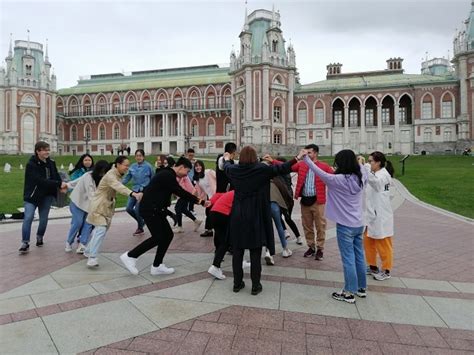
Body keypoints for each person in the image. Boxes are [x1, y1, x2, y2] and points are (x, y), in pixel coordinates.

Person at [223, 146, 301, 296]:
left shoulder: (234, 170)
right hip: (255, 213)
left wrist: (227, 158)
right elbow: (283, 168)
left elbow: (226, 167)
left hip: (238, 213)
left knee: (238, 250)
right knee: (255, 250)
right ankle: (255, 285)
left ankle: (237, 284)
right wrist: (297, 158)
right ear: (254, 157)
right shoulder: (262, 169)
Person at [120, 157, 209, 276]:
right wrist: (200, 201)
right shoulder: (168, 175)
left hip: (157, 210)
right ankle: (130, 256)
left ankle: (157, 266)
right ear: (181, 167)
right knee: (158, 237)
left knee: (167, 235)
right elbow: (180, 192)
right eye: (187, 171)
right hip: (149, 210)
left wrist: (169, 213)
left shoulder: (167, 174)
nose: (186, 175)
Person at [304, 149, 367, 304]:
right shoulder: (361, 176)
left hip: (345, 226)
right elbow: (361, 166)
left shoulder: (337, 179)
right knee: (359, 256)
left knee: (348, 259)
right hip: (359, 223)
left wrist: (305, 158)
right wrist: (359, 161)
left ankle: (348, 292)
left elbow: (318, 171)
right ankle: (361, 288)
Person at [85, 156, 143, 267]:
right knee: (101, 229)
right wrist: (133, 194)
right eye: (126, 165)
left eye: (128, 165)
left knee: (100, 230)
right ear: (118, 164)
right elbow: (118, 187)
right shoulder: (111, 175)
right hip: (99, 206)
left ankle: (88, 251)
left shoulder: (117, 174)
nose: (127, 168)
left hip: (106, 206)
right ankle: (92, 258)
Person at [19, 141, 66, 254]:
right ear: (38, 151)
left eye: (48, 150)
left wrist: (60, 185)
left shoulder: (51, 163)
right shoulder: (31, 164)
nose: (47, 152)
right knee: (28, 217)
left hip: (47, 196)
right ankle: (25, 242)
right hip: (32, 196)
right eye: (44, 150)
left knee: (43, 219)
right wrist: (58, 184)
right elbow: (39, 181)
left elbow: (56, 176)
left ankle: (39, 237)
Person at [292, 144, 333, 260]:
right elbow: (286, 166)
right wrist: (273, 161)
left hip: (318, 201)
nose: (307, 155)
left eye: (309, 153)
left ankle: (320, 248)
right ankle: (311, 246)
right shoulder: (302, 164)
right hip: (305, 200)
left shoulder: (323, 166)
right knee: (307, 226)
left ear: (315, 153)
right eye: (306, 152)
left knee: (320, 225)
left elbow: (334, 177)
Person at [65, 160, 111, 254]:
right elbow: (90, 193)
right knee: (77, 223)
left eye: (105, 172)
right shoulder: (88, 176)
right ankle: (69, 242)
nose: (103, 174)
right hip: (78, 202)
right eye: (102, 171)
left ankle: (82, 244)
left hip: (90, 205)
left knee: (88, 224)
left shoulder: (104, 179)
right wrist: (67, 185)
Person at [362, 152, 395, 281]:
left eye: (371, 161)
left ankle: (386, 270)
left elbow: (375, 184)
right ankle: (372, 266)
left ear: (378, 162)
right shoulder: (375, 174)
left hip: (381, 216)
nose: (369, 164)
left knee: (383, 243)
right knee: (368, 241)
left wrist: (365, 168)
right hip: (371, 215)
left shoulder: (384, 175)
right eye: (369, 161)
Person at [122, 149, 154, 236]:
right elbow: (126, 178)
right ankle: (142, 222)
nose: (138, 157)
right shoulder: (132, 167)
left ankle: (140, 228)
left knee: (137, 210)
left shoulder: (148, 166)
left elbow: (153, 179)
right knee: (128, 208)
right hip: (134, 190)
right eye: (137, 156)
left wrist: (150, 191)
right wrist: (117, 184)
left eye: (140, 156)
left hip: (144, 191)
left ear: (143, 157)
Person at [206, 190, 234, 280]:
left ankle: (216, 262)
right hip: (222, 214)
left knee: (220, 239)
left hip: (213, 214)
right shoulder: (240, 193)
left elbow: (212, 201)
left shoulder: (227, 193)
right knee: (226, 241)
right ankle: (215, 266)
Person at [193, 160, 217, 237]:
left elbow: (219, 178)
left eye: (199, 165)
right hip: (209, 198)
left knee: (210, 213)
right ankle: (209, 230)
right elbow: (200, 192)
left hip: (216, 196)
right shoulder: (197, 179)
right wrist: (200, 200)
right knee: (208, 213)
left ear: (202, 166)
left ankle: (209, 230)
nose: (198, 167)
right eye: (196, 166)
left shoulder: (208, 172)